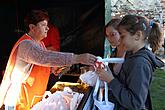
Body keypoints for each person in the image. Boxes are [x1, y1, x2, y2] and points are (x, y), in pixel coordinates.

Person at [0, 10, 97, 110]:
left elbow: (40, 65)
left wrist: (52, 69)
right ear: (32, 27)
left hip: (32, 99)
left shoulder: (40, 43)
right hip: (18, 101)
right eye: (43, 25)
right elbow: (45, 57)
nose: (47, 28)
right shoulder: (26, 44)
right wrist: (78, 58)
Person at [97, 15, 164, 110]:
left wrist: (111, 80)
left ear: (137, 35)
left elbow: (135, 103)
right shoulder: (132, 55)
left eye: (123, 36)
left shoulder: (139, 64)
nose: (119, 40)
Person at [41, 22, 61, 90]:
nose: (46, 28)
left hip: (50, 69)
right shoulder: (28, 41)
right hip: (41, 72)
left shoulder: (52, 30)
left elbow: (55, 48)